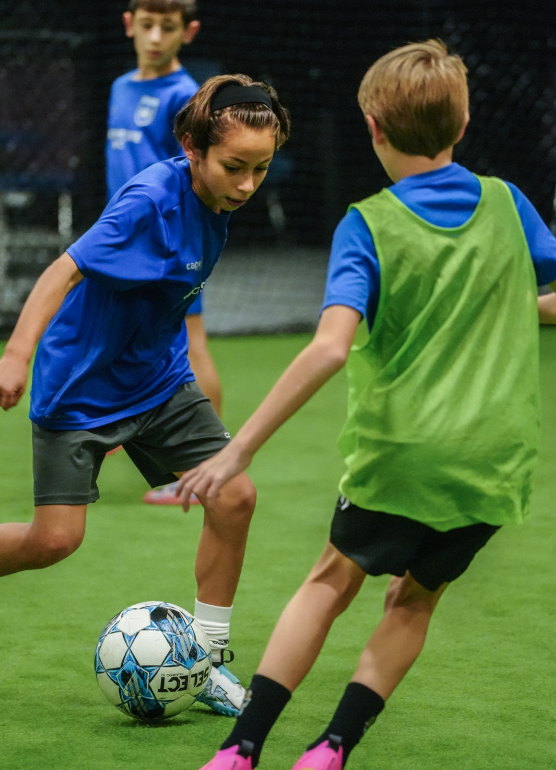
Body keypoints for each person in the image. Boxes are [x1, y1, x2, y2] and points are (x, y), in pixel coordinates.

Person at [177, 41, 556, 769]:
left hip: (401, 456)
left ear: (374, 127)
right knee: (415, 600)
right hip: (494, 464)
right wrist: (515, 304)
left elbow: (327, 348)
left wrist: (238, 449)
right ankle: (333, 748)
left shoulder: (368, 223)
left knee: (329, 580)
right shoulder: (508, 203)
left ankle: (242, 749)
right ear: (465, 120)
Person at [0, 74, 290, 719]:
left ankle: (208, 662)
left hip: (158, 382)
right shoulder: (147, 201)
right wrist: (17, 354)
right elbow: (62, 270)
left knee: (234, 495)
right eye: (234, 167)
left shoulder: (219, 203)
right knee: (54, 542)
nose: (247, 185)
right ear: (192, 149)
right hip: (81, 389)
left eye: (261, 169)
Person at [107, 0, 222, 506]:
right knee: (118, 336)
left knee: (190, 342)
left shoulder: (184, 95)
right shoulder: (119, 87)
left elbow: (191, 176)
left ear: (188, 32)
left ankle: (205, 470)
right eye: (147, 25)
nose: (155, 37)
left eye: (168, 28)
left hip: (169, 244)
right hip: (124, 243)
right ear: (130, 24)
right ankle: (109, 431)